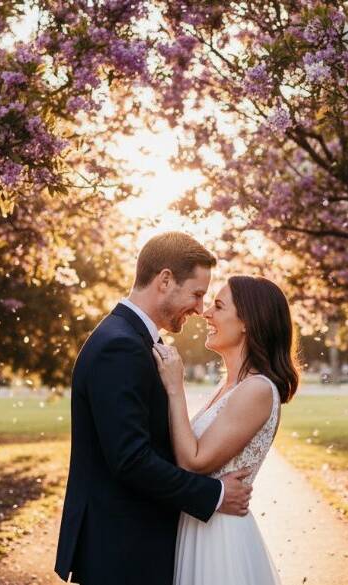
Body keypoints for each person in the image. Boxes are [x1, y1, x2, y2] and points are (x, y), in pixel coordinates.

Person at [55, 232, 254, 585]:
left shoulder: (131, 339)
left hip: (131, 544)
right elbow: (130, 459)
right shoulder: (120, 346)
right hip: (123, 550)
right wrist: (216, 494)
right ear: (165, 280)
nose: (198, 308)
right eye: (196, 294)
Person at [153, 275, 299, 585]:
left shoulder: (257, 390)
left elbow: (194, 461)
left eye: (218, 306)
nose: (206, 313)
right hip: (200, 525)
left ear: (248, 322)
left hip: (221, 539)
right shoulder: (229, 386)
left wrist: (175, 387)